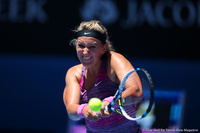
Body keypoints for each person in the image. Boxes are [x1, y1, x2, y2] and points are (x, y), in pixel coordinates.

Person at [63, 20, 142, 133]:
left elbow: (136, 91)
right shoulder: (74, 73)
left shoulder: (115, 61)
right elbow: (71, 111)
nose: (85, 52)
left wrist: (111, 102)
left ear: (103, 48)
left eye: (92, 47)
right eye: (81, 46)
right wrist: (83, 109)